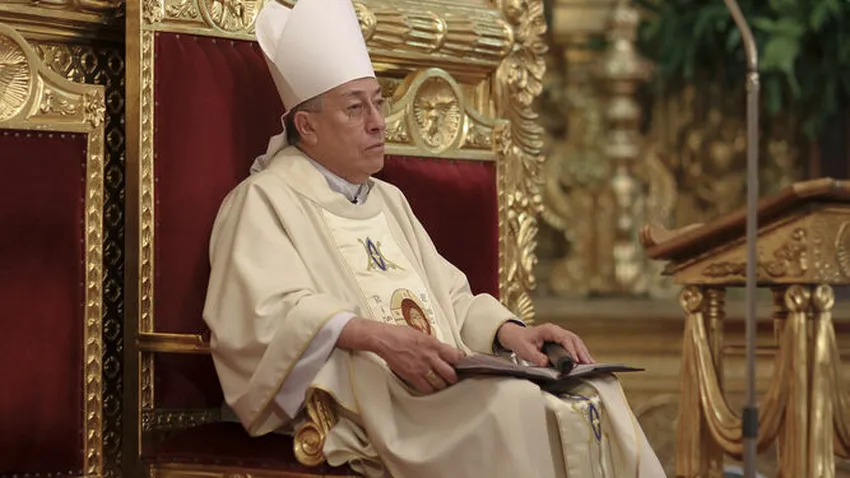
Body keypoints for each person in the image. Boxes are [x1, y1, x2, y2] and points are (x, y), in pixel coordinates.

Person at [202, 0, 666, 476]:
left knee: (594, 393)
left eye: (378, 102)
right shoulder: (263, 201)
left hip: (435, 385)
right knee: (515, 406)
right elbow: (263, 321)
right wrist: (380, 338)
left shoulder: (387, 199)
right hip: (368, 402)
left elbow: (449, 299)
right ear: (307, 126)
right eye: (355, 108)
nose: (377, 121)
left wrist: (513, 333)